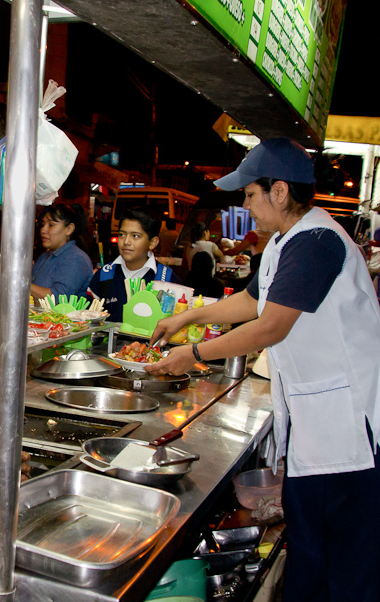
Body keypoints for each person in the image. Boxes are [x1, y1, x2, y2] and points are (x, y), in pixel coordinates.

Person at [146, 137, 380, 602]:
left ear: (278, 191)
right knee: (311, 556)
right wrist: (189, 315)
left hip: (350, 435)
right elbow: (251, 301)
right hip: (317, 427)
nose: (246, 206)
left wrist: (191, 355)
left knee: (347, 567)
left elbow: (269, 326)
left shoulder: (317, 241)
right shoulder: (283, 243)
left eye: (250, 194)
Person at [87, 209, 182, 321]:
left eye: (135, 236)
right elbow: (88, 320)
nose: (126, 241)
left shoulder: (166, 279)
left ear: (153, 243)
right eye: (122, 234)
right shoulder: (104, 276)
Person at [31, 204, 94, 301]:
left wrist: (20, 283)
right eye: (43, 224)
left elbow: (59, 297)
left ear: (69, 229)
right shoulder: (44, 256)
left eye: (51, 225)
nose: (43, 230)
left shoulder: (76, 258)